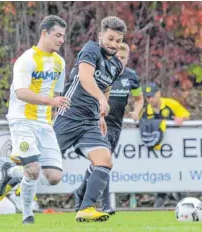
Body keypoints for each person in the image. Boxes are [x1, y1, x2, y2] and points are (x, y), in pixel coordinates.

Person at [0, 15, 69, 224]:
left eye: (63, 36)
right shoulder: (26, 60)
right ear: (44, 33)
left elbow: (58, 95)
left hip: (44, 123)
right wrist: (50, 101)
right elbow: (21, 92)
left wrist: (55, 109)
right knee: (34, 169)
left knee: (54, 177)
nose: (61, 40)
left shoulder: (59, 63)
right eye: (58, 35)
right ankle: (27, 214)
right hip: (22, 120)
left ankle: (12, 172)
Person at [53, 16, 127, 222]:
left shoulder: (117, 66)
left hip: (90, 122)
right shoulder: (91, 49)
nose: (113, 44)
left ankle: (86, 208)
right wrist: (101, 99)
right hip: (69, 114)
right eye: (110, 39)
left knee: (104, 161)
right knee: (44, 167)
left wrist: (101, 113)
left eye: (118, 41)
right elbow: (85, 78)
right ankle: (12, 174)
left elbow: (106, 87)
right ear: (101, 35)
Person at [73, 42, 144, 215]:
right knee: (104, 162)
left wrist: (136, 111)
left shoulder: (132, 77)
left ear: (127, 59)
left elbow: (139, 98)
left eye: (123, 58)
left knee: (99, 164)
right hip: (98, 123)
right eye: (117, 57)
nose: (119, 60)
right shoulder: (104, 72)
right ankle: (105, 204)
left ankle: (80, 192)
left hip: (116, 126)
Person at [140, 82, 190, 207]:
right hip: (158, 150)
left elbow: (186, 116)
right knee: (160, 172)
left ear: (159, 94)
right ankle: (161, 196)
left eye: (152, 96)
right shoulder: (146, 111)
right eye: (148, 97)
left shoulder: (170, 104)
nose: (150, 99)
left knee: (177, 172)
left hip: (174, 149)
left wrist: (181, 119)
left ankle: (181, 197)